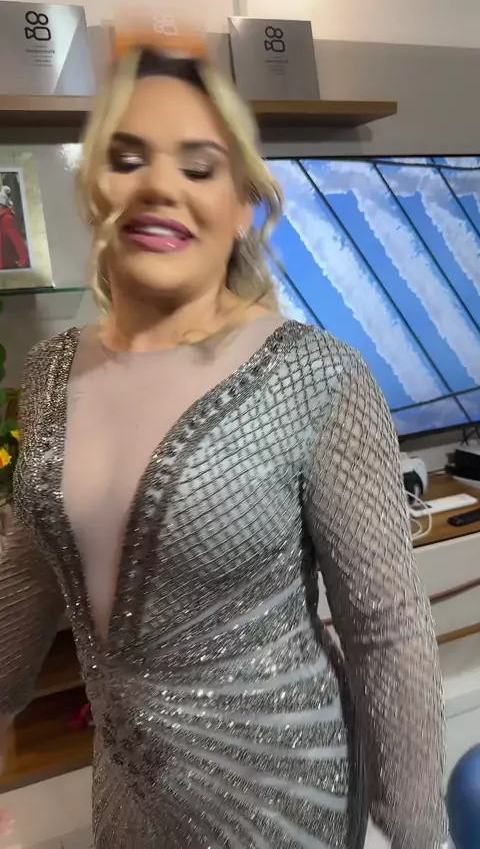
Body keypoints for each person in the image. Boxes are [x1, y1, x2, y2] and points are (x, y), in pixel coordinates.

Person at [0, 46, 447, 849]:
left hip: (285, 798)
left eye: (198, 167)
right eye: (127, 159)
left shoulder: (318, 377)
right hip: (127, 795)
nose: (158, 185)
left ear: (242, 202)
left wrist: (416, 832)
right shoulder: (48, 371)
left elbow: (386, 627)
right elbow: (31, 566)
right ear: (95, 188)